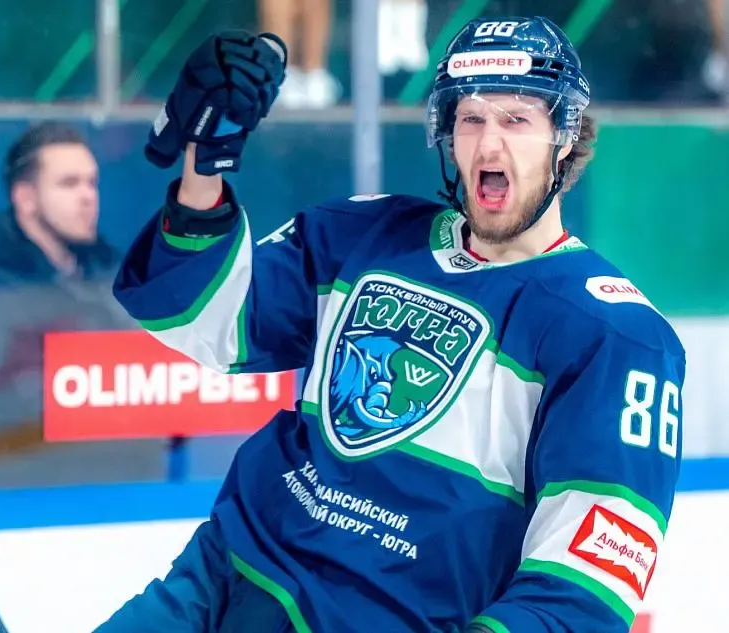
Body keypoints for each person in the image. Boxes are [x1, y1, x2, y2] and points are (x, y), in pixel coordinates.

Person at [100, 20, 684, 632]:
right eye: (471, 119)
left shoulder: (615, 336)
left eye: (516, 120)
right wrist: (205, 167)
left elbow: (586, 586)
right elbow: (203, 319)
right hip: (220, 580)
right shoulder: (366, 234)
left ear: (564, 138)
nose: (489, 145)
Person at [0, 122, 149, 487]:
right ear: (26, 198)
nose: (87, 196)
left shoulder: (111, 271)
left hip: (125, 483)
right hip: (32, 490)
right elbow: (22, 405)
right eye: (69, 184)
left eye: (92, 183)